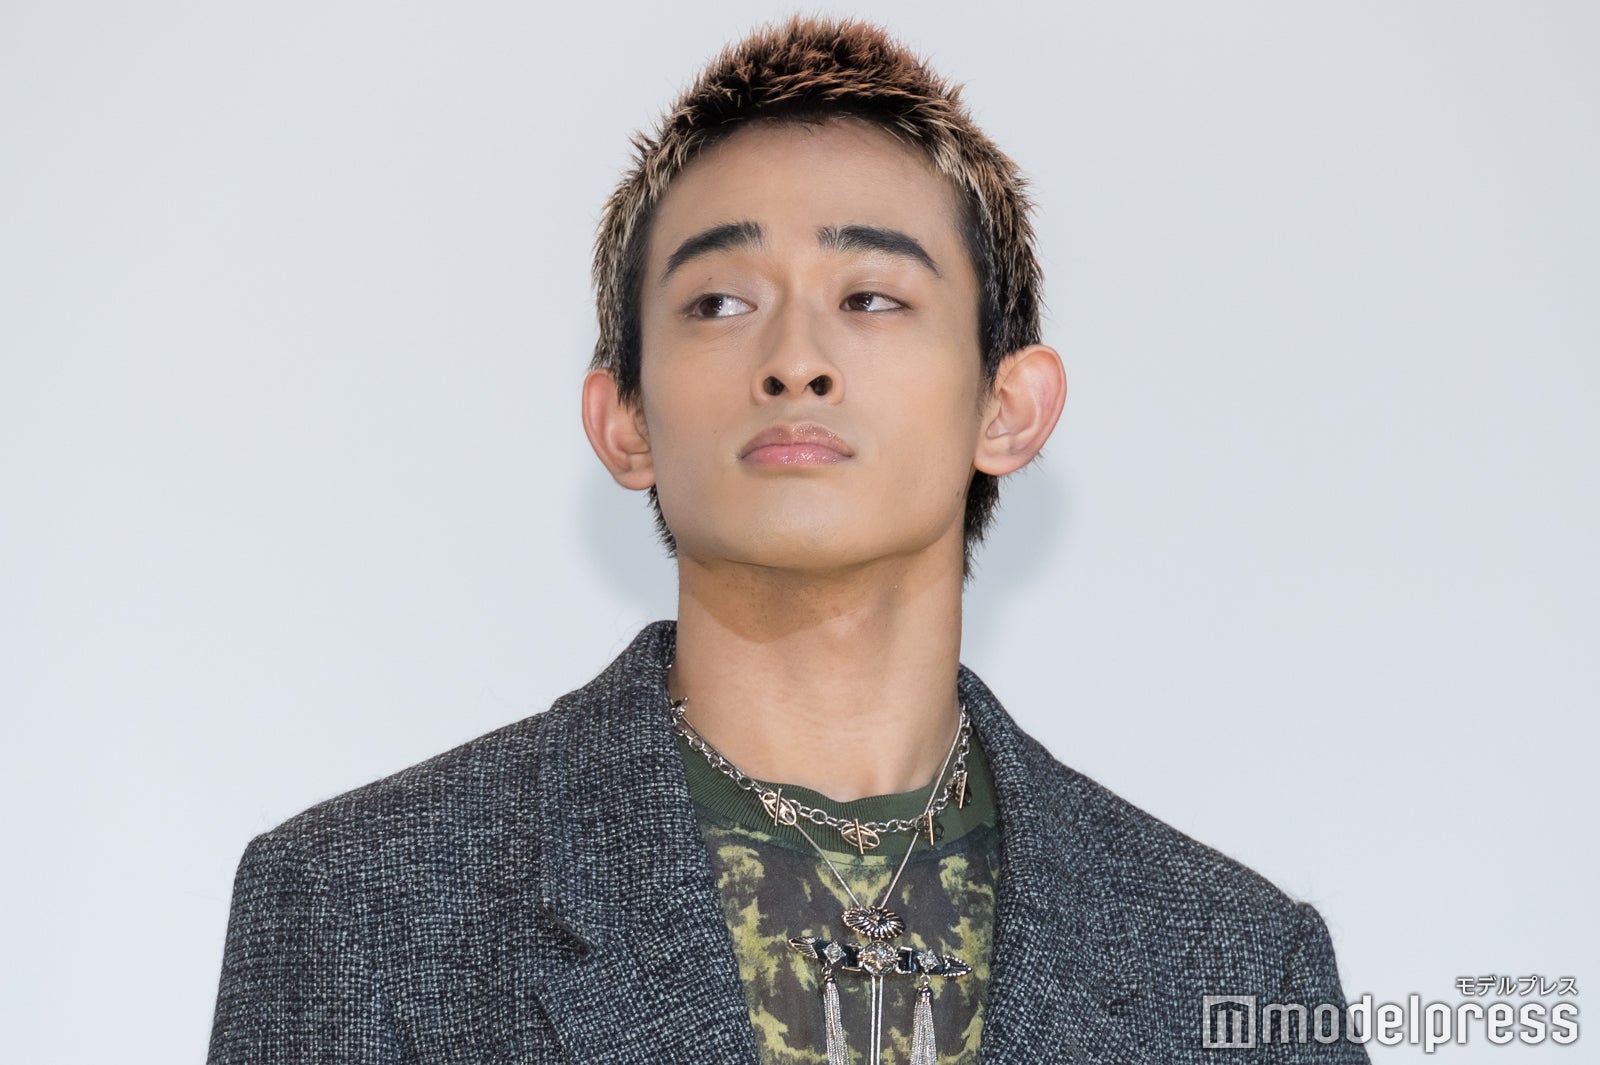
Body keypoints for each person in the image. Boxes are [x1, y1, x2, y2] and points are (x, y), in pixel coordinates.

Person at [207, 17, 1367, 1064]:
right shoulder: (357, 905)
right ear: (624, 421)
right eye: (719, 302)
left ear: (1008, 408)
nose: (795, 360)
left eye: (871, 297)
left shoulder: (1239, 961)